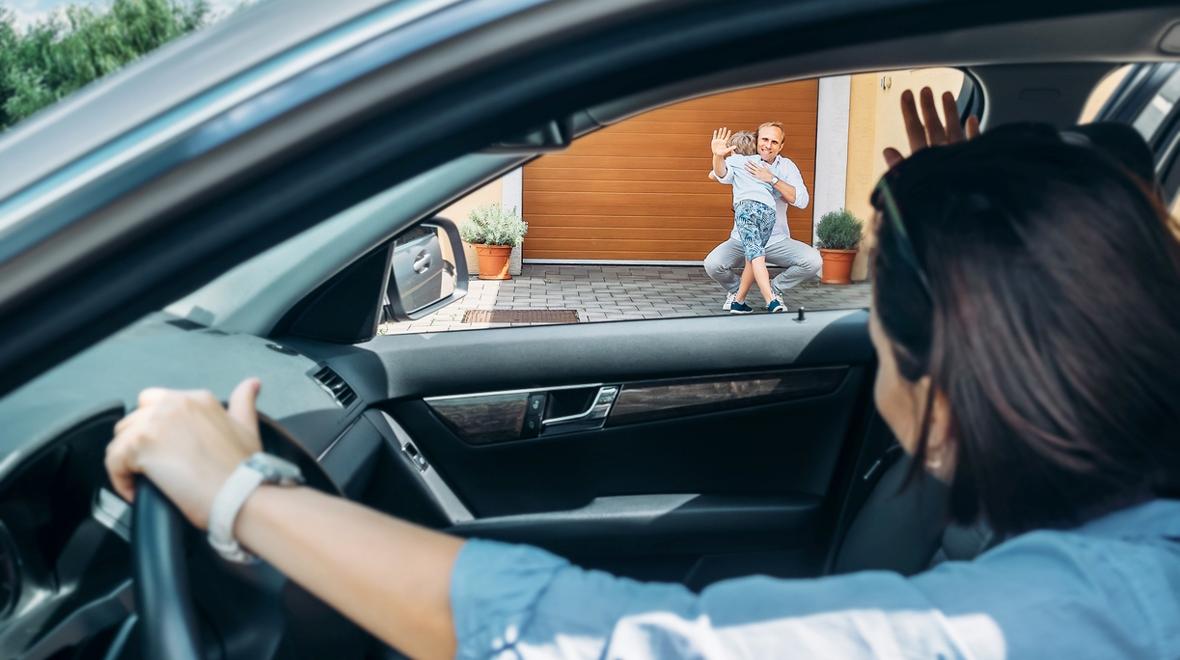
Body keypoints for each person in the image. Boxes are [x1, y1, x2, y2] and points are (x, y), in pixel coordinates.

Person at [106, 88, 1180, 658]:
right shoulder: (1113, 543)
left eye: (877, 315)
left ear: (942, 381)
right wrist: (943, 203)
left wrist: (240, 491)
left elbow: (619, 646)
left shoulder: (1071, 616)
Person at [703, 121, 818, 312]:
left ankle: (774, 290)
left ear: (780, 146)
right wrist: (718, 156)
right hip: (741, 239)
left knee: (813, 261)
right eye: (765, 139)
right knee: (713, 264)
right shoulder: (744, 162)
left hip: (776, 240)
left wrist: (772, 179)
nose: (768, 145)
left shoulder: (787, 167)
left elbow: (802, 200)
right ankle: (737, 291)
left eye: (774, 142)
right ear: (757, 140)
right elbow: (718, 173)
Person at [709, 127, 787, 314]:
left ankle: (771, 300)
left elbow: (714, 174)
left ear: (733, 149)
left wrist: (719, 156)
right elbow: (777, 192)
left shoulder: (734, 161)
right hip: (768, 212)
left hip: (747, 209)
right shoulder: (764, 166)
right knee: (752, 257)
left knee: (756, 256)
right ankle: (739, 302)